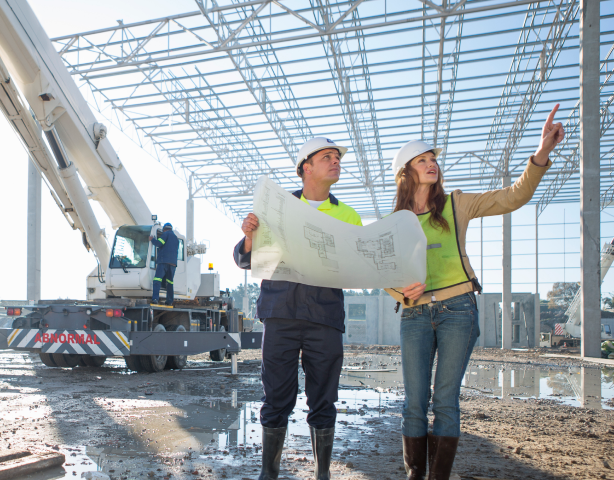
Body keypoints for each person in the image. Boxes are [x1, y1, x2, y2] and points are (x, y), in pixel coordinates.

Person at [387, 105, 564, 480]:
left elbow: (513, 197)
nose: (431, 163)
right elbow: (379, 270)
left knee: (445, 402)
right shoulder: (395, 222)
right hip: (415, 315)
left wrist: (541, 153)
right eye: (422, 160)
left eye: (433, 158)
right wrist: (399, 292)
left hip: (458, 310)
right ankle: (414, 476)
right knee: (413, 405)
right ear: (406, 173)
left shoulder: (457, 203)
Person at [233, 137, 362, 480]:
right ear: (307, 167)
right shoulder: (277, 207)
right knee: (276, 395)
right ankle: (269, 472)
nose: (336, 161)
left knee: (323, 398)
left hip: (325, 316)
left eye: (337, 157)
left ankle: (322, 473)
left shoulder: (348, 215)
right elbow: (245, 258)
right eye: (327, 157)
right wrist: (248, 236)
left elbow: (356, 265)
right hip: (281, 313)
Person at [150, 222, 179, 305]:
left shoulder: (165, 234)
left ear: (164, 229)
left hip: (163, 261)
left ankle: (155, 298)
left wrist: (152, 239)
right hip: (173, 263)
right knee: (169, 282)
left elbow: (159, 244)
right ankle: (169, 301)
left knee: (157, 280)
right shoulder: (176, 238)